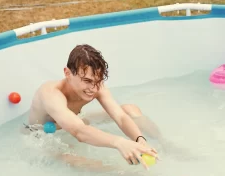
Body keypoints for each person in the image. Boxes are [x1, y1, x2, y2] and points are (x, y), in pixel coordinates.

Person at [28, 44, 160, 168]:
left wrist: (139, 139)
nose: (93, 88)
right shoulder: (51, 94)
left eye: (98, 81)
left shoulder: (95, 86)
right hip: (41, 137)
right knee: (73, 158)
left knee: (130, 109)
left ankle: (167, 145)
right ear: (67, 73)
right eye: (87, 81)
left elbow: (119, 116)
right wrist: (120, 142)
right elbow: (79, 132)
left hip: (75, 122)